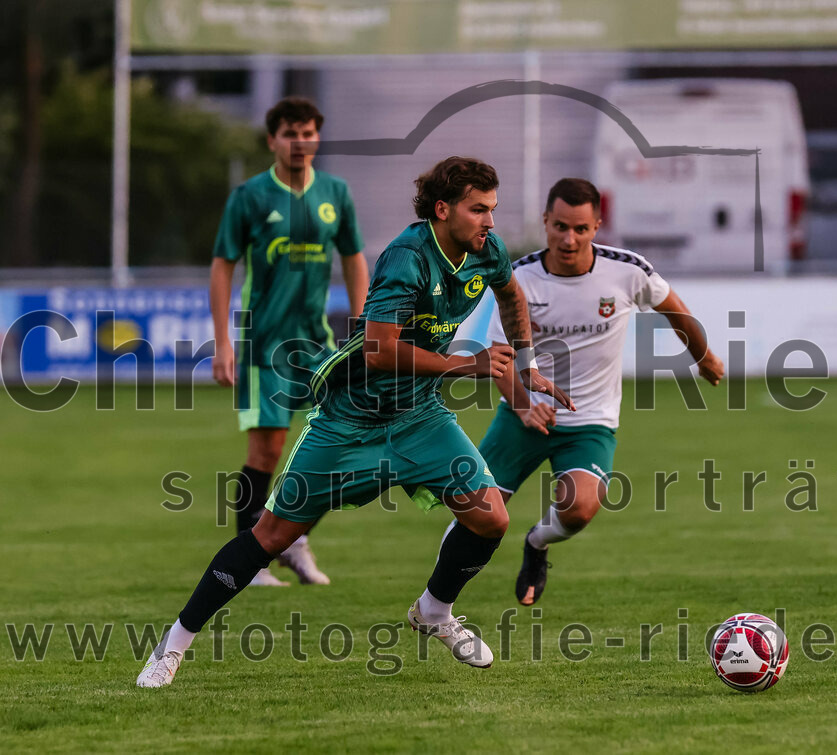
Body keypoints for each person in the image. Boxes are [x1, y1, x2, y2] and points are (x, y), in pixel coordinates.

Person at [137, 156, 574, 688]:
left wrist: (526, 366)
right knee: (270, 535)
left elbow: (511, 296)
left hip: (419, 416)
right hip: (351, 421)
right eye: (477, 209)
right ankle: (173, 644)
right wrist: (467, 363)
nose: (488, 221)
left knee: (490, 517)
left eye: (492, 210)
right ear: (443, 209)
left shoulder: (488, 251)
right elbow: (377, 350)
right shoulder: (407, 258)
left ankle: (434, 612)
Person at [478, 178, 724, 606]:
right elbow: (499, 356)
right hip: (525, 414)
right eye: (559, 227)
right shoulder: (518, 279)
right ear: (546, 222)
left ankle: (536, 544)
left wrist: (703, 357)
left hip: (590, 420)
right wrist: (523, 408)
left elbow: (677, 312)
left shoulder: (628, 271)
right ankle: (436, 605)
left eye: (580, 229)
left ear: (597, 226)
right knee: (477, 515)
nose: (568, 239)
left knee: (579, 509)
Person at [209, 96, 369, 587]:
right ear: (272, 139)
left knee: (341, 446)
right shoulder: (251, 196)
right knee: (267, 453)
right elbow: (222, 267)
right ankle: (249, 561)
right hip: (264, 345)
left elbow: (354, 257)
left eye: (308, 132)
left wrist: (363, 326)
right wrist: (222, 343)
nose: (300, 142)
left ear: (317, 137)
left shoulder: (335, 192)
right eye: (290, 133)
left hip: (318, 345)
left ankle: (294, 540)